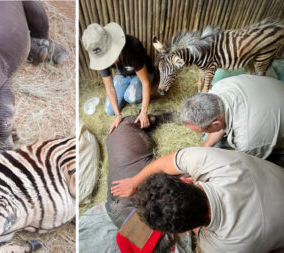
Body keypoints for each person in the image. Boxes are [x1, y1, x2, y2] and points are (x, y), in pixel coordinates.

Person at [110, 147, 284, 252]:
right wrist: (135, 181)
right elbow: (165, 163)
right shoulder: (216, 162)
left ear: (182, 232)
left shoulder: (219, 248)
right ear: (186, 180)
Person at [180, 74, 284, 166]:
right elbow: (220, 124)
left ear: (215, 124)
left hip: (263, 127)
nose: (204, 133)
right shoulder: (220, 86)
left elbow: (248, 167)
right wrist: (204, 150)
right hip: (271, 95)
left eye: (203, 130)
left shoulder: (247, 141)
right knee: (210, 142)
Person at [82, 22, 154, 132]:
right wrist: (117, 115)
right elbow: (109, 87)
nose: (106, 60)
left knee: (131, 97)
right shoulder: (100, 54)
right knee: (109, 110)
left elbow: (145, 82)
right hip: (123, 75)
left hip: (142, 74)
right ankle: (126, 93)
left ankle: (130, 93)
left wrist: (144, 112)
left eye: (108, 56)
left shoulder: (132, 47)